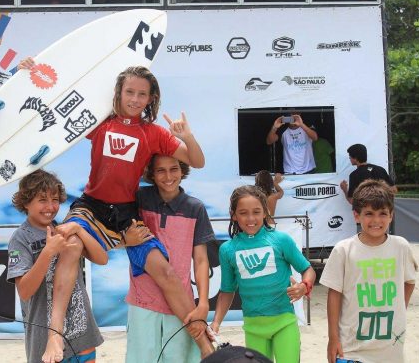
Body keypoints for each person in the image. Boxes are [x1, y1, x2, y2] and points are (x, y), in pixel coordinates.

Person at [17, 59, 213, 362]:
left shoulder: (154, 133)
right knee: (70, 245)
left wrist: (185, 135)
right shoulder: (100, 121)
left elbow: (197, 161)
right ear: (118, 93)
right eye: (129, 92)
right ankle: (55, 335)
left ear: (151, 98)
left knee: (166, 273)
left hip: (125, 213)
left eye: (142, 94)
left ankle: (204, 345)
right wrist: (33, 72)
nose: (135, 99)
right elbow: (57, 106)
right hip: (90, 206)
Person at [6, 170, 107, 363]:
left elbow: (102, 259)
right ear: (26, 202)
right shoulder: (21, 238)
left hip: (81, 334)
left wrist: (78, 230)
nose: (50, 207)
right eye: (42, 200)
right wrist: (47, 252)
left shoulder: (64, 229)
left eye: (55, 199)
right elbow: (25, 291)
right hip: (44, 340)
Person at [210, 186, 316, 363]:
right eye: (243, 213)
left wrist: (304, 286)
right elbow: (227, 291)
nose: (250, 218)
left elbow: (308, 269)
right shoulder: (227, 250)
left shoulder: (281, 240)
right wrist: (216, 322)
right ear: (234, 214)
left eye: (256, 212)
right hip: (253, 327)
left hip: (285, 321)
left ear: (265, 212)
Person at [125, 155, 215, 363]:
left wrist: (203, 303)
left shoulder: (196, 208)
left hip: (182, 304)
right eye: (160, 170)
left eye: (174, 169)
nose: (168, 176)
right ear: (151, 174)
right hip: (143, 301)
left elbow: (201, 260)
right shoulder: (138, 198)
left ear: (183, 170)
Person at [320, 179, 417, 363]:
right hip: (351, 347)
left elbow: (409, 282)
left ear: (391, 215)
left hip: (390, 347)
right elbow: (334, 294)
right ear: (356, 215)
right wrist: (333, 339)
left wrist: (398, 309)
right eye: (369, 213)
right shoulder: (343, 250)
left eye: (382, 213)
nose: (376, 220)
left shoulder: (401, 246)